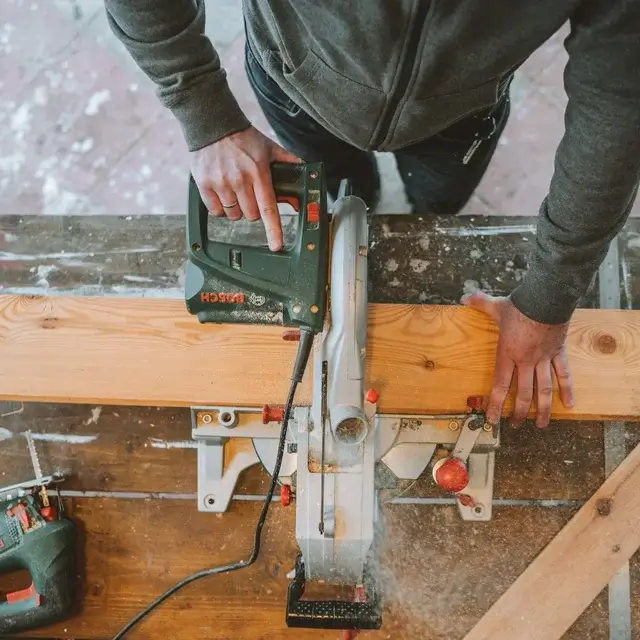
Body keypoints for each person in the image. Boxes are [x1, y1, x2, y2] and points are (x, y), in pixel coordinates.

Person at [104, 1, 640, 429]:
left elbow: (620, 99)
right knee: (340, 189)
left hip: (458, 118)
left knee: (436, 211)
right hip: (296, 86)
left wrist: (549, 297)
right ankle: (356, 192)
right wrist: (205, 112)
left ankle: (402, 203)